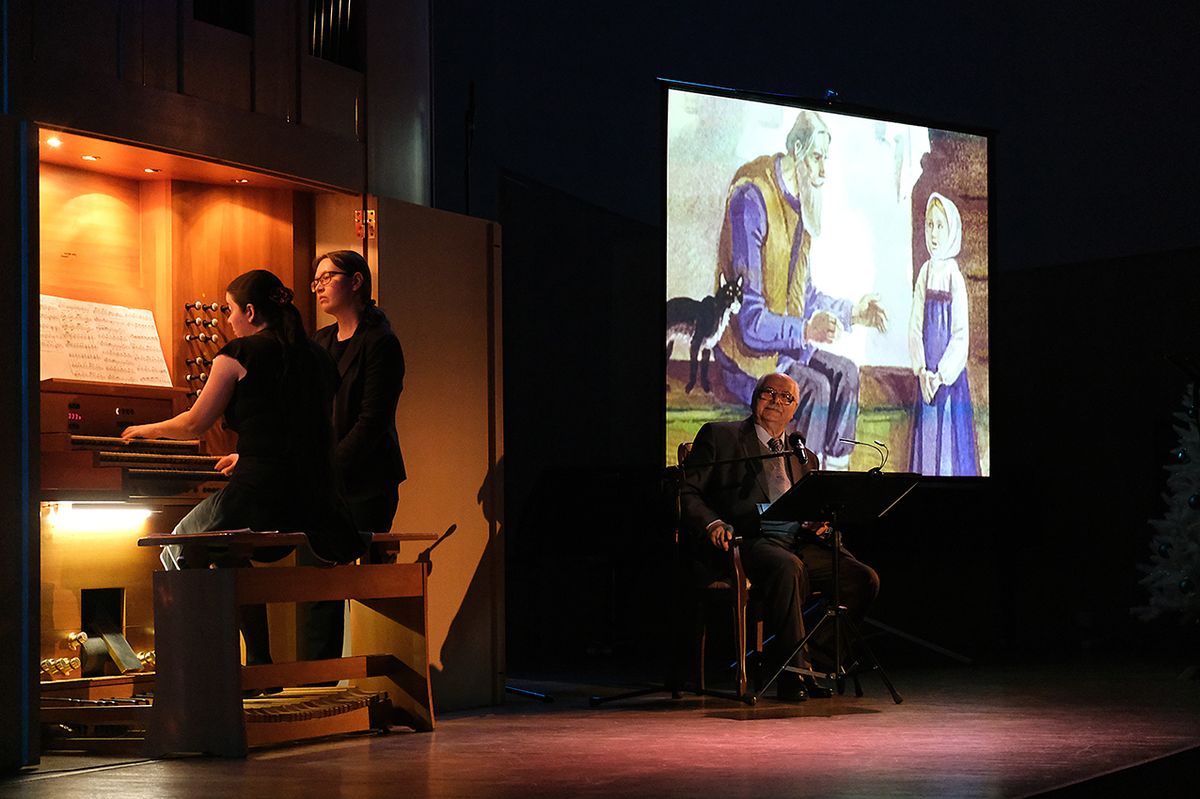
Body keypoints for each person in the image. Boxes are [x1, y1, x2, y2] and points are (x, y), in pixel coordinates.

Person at [122, 269, 362, 669]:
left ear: (250, 312)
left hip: (260, 499)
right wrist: (246, 455)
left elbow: (194, 424)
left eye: (230, 310)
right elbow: (301, 428)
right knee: (225, 553)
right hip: (315, 500)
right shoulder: (318, 357)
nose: (228, 320)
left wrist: (146, 430)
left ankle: (197, 669)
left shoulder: (238, 354)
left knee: (178, 545)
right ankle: (260, 665)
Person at [680, 372, 880, 701]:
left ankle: (813, 661)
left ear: (795, 409)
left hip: (797, 540)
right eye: (768, 392)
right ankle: (794, 675)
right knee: (789, 568)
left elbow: (814, 507)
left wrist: (820, 523)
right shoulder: (721, 436)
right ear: (754, 397)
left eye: (786, 397)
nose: (776, 400)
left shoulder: (804, 456)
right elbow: (687, 491)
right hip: (747, 540)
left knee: (861, 578)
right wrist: (713, 523)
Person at [712, 110, 888, 467]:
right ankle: (800, 483)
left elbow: (803, 296)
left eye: (826, 160)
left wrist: (853, 313)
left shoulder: (800, 205)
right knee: (815, 389)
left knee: (847, 375)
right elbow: (750, 323)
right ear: (796, 151)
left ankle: (836, 478)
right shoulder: (752, 199)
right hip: (744, 362)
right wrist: (806, 330)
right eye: (816, 158)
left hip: (782, 353)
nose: (824, 171)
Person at [301, 250, 407, 663]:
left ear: (356, 281)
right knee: (318, 590)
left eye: (327, 277)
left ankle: (380, 681)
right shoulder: (319, 341)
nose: (319, 286)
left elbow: (372, 421)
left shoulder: (381, 342)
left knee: (366, 590)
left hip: (367, 481)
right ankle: (318, 684)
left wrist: (328, 468)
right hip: (323, 484)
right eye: (316, 280)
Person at [908, 192, 978, 475]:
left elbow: (960, 336)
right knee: (927, 441)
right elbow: (915, 327)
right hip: (927, 379)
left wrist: (940, 375)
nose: (934, 234)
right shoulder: (925, 273)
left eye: (940, 226)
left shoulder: (954, 277)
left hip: (948, 380)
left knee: (948, 445)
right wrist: (922, 371)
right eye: (930, 225)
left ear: (951, 230)